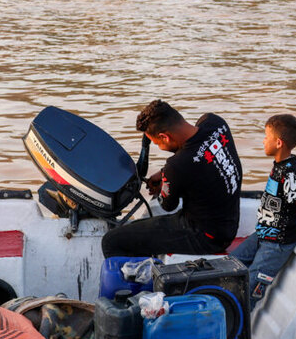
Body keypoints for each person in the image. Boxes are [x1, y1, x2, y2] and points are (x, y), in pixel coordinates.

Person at [101, 100, 243, 258]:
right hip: (228, 223)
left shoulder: (177, 166)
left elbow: (167, 205)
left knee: (111, 241)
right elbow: (199, 156)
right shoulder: (214, 122)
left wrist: (166, 182)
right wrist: (166, 174)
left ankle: (140, 273)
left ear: (164, 137)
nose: (159, 147)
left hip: (206, 237)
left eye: (157, 143)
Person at [230, 114, 296, 306]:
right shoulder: (279, 165)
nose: (263, 140)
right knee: (230, 264)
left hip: (277, 243)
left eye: (266, 137)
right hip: (262, 234)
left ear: (278, 143)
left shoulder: (291, 172)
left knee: (251, 287)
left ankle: (239, 318)